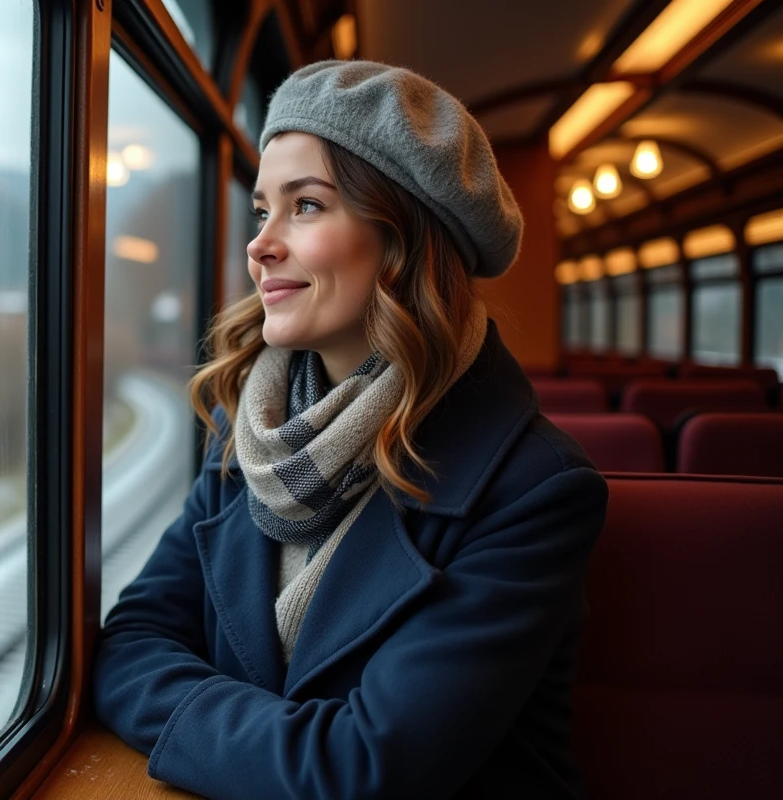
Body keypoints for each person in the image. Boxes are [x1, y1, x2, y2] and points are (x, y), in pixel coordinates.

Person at [93, 60, 608, 800]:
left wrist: (200, 716)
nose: (261, 244)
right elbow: (131, 641)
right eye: (261, 210)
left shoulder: (534, 493)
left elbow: (364, 771)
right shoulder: (248, 431)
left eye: (305, 206)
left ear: (406, 240)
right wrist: (280, 745)